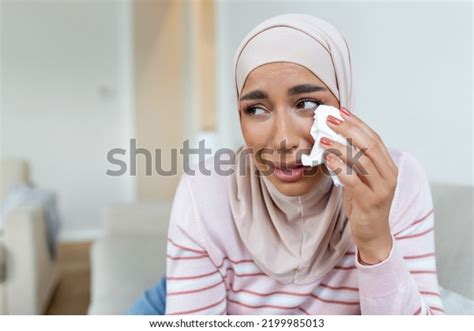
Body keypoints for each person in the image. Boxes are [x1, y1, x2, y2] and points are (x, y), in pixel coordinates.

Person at [129, 13, 444, 315]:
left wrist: (375, 241)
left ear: (344, 102)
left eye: (307, 104)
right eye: (255, 109)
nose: (282, 140)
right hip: (182, 293)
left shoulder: (398, 182)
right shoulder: (205, 190)